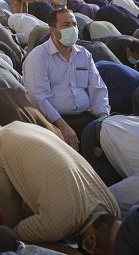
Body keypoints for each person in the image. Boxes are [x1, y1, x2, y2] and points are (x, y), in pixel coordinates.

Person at [0, 122, 120, 244]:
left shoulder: (113, 208)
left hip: (32, 131)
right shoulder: (57, 225)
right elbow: (16, 236)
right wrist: (66, 251)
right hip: (0, 143)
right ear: (91, 238)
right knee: (6, 226)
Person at [23, 8, 110, 149]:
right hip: (54, 120)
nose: (72, 28)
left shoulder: (84, 54)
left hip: (86, 116)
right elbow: (39, 97)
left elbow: (98, 88)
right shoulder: (38, 57)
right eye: (66, 25)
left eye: (74, 24)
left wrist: (102, 118)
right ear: (53, 30)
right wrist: (62, 125)